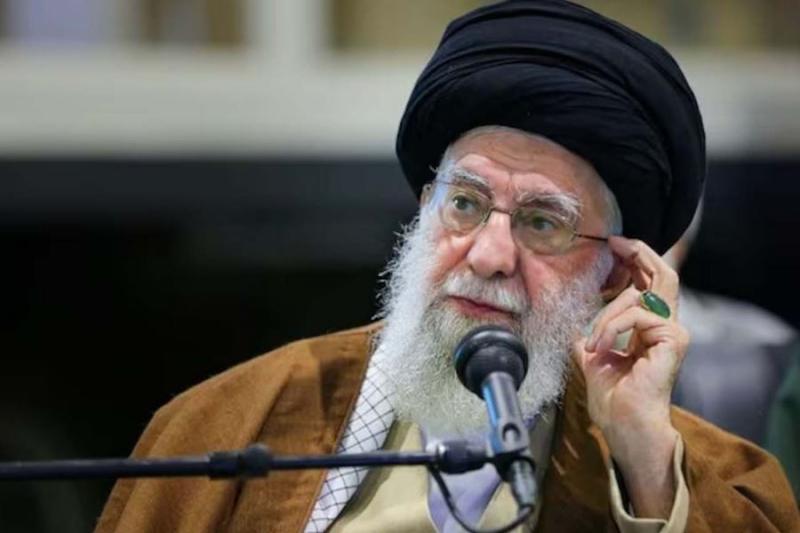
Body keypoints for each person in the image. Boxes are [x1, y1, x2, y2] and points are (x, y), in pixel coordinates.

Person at [96, 1, 799, 532]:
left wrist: (642, 454)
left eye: (542, 222)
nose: (489, 255)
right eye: (465, 204)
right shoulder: (222, 428)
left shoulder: (731, 487)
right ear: (424, 207)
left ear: (615, 277)